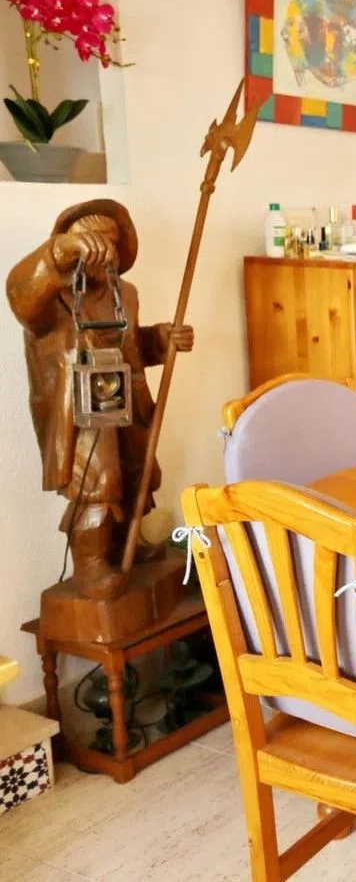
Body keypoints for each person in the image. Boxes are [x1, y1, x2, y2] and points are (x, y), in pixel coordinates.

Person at [6, 199, 193, 600]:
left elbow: (129, 343)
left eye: (110, 240)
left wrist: (160, 339)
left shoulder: (125, 293)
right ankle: (91, 563)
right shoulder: (50, 297)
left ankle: (128, 543)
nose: (101, 248)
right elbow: (19, 290)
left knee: (136, 470)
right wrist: (61, 251)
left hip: (124, 398)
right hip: (79, 410)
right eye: (90, 239)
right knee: (97, 480)